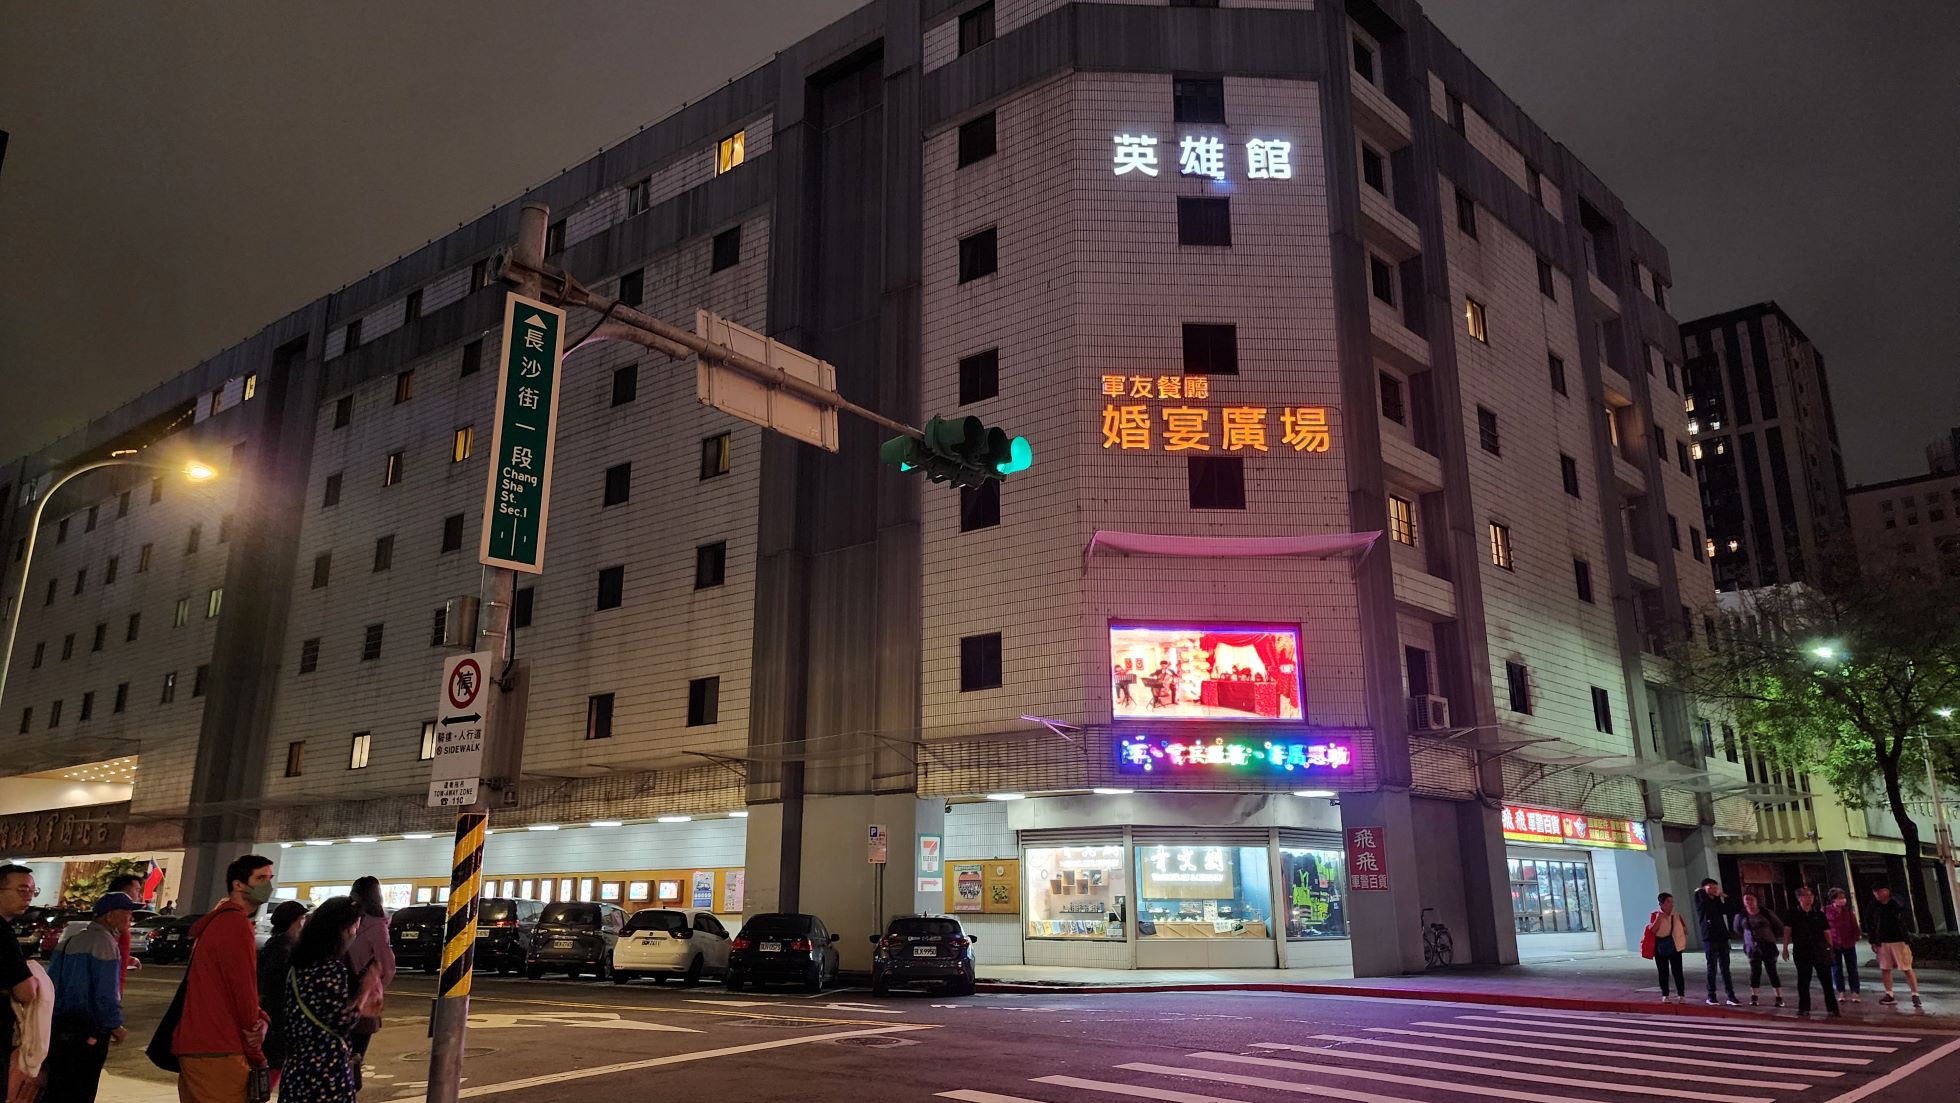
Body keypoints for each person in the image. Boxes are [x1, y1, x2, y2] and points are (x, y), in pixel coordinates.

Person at [172, 855, 274, 1102]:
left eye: (269, 879)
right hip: (219, 1046)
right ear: (238, 884)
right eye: (260, 878)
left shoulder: (217, 922)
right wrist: (256, 1030)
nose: (267, 885)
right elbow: (242, 989)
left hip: (200, 1044)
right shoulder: (236, 924)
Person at [280, 898, 382, 1103]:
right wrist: (364, 994)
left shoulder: (297, 966)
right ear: (342, 930)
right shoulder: (331, 969)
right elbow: (341, 1022)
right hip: (326, 1071)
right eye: (354, 927)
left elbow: (319, 1011)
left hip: (296, 1068)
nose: (354, 933)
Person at [43, 893, 141, 1102]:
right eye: (126, 912)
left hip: (59, 1026)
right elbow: (105, 993)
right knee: (81, 1089)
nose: (130, 917)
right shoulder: (104, 943)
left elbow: (51, 983)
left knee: (57, 1088)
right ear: (109, 916)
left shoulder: (69, 941)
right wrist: (115, 1025)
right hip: (88, 1030)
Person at [343, 877, 395, 1090]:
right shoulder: (377, 926)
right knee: (356, 1056)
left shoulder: (345, 919)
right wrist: (376, 985)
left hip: (338, 992)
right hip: (363, 998)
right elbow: (387, 966)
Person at [3, 864, 47, 1103]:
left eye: (32, 890)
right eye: (21, 890)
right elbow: (26, 992)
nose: (28, 896)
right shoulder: (3, 935)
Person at [256, 901, 307, 1094]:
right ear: (294, 921)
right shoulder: (285, 948)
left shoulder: (274, 944)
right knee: (272, 1068)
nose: (303, 924)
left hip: (270, 1016)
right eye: (302, 919)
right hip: (277, 1019)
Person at [1782, 885, 1841, 1019]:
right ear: (1799, 898)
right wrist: (1785, 948)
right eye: (1806, 896)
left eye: (1811, 896)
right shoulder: (1792, 913)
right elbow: (1787, 931)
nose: (1810, 898)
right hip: (1801, 950)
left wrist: (1830, 948)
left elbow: (1827, 932)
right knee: (1803, 980)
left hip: (1819, 950)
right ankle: (1804, 1008)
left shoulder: (1818, 913)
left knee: (1826, 980)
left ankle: (1832, 1009)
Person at [1867, 884, 1921, 1008]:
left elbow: (1905, 915)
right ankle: (1889, 994)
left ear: (1886, 891)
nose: (1877, 894)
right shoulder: (1873, 906)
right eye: (1874, 892)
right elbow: (1870, 922)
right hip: (1882, 941)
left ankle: (1915, 994)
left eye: (1879, 891)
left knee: (1906, 967)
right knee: (1885, 968)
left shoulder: (1896, 902)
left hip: (1899, 939)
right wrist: (1873, 941)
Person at [1692, 878, 1741, 1006]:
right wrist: (1701, 891)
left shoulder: (1716, 901)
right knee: (1711, 967)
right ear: (1704, 888)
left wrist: (1725, 897)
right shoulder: (1700, 898)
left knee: (1725, 968)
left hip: (1722, 937)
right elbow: (1706, 905)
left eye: (1715, 887)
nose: (1714, 889)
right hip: (1710, 938)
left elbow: (1731, 909)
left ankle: (1731, 996)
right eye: (1711, 887)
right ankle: (1711, 996)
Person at [1734, 892, 1786, 1007]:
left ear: (1757, 901)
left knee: (1772, 971)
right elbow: (1737, 929)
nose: (1749, 902)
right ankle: (1754, 997)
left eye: (1751, 899)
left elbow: (1779, 926)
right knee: (1755, 972)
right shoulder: (1741, 915)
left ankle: (1779, 997)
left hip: (1768, 945)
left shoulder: (1766, 913)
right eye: (1746, 900)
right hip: (1752, 947)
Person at [1646, 893, 1688, 1003]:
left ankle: (1681, 994)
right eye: (1668, 902)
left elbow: (1684, 929)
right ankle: (1665, 994)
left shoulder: (1676, 915)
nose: (1671, 904)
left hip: (1674, 945)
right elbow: (1653, 930)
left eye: (1672, 901)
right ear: (1661, 903)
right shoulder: (1655, 915)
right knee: (1663, 971)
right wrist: (1659, 918)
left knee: (1678, 971)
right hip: (1660, 945)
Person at [103, 874, 146, 984]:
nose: (139, 895)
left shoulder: (119, 923)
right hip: (110, 988)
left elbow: (113, 953)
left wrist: (128, 959)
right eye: (136, 890)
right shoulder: (114, 923)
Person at [1825, 887, 1863, 1004]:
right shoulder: (1825, 911)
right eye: (1840, 898)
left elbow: (1855, 927)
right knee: (1836, 969)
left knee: (1852, 969)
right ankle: (1841, 991)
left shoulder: (1848, 911)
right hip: (1834, 944)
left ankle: (1855, 992)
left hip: (1848, 943)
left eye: (1843, 897)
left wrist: (1856, 937)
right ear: (1833, 899)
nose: (1843, 900)